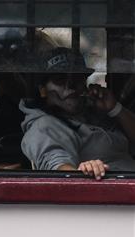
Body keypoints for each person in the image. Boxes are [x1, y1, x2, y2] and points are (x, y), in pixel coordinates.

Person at [20, 47, 135, 179]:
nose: (70, 86)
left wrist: (114, 108)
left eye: (77, 77)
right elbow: (57, 168)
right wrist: (83, 172)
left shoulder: (94, 113)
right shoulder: (44, 126)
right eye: (60, 80)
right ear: (43, 90)